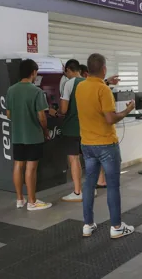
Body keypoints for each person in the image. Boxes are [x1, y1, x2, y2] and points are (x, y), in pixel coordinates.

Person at [76, 53, 135, 238]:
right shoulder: (104, 91)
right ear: (103, 69)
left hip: (87, 144)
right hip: (106, 145)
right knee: (112, 186)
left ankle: (88, 224)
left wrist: (106, 82)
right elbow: (110, 118)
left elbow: (93, 91)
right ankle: (117, 227)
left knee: (89, 185)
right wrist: (127, 110)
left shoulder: (80, 87)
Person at [5, 59, 52, 211]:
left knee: (18, 165)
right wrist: (45, 131)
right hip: (33, 136)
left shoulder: (11, 90)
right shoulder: (36, 91)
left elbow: (8, 114)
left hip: (18, 135)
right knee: (31, 168)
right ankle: (32, 201)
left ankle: (20, 199)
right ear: (33, 72)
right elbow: (42, 117)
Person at [51, 59, 87, 202]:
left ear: (68, 70)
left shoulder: (68, 84)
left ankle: (78, 192)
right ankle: (91, 189)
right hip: (87, 127)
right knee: (89, 159)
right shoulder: (87, 82)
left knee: (73, 159)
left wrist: (55, 112)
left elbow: (64, 109)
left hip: (72, 128)